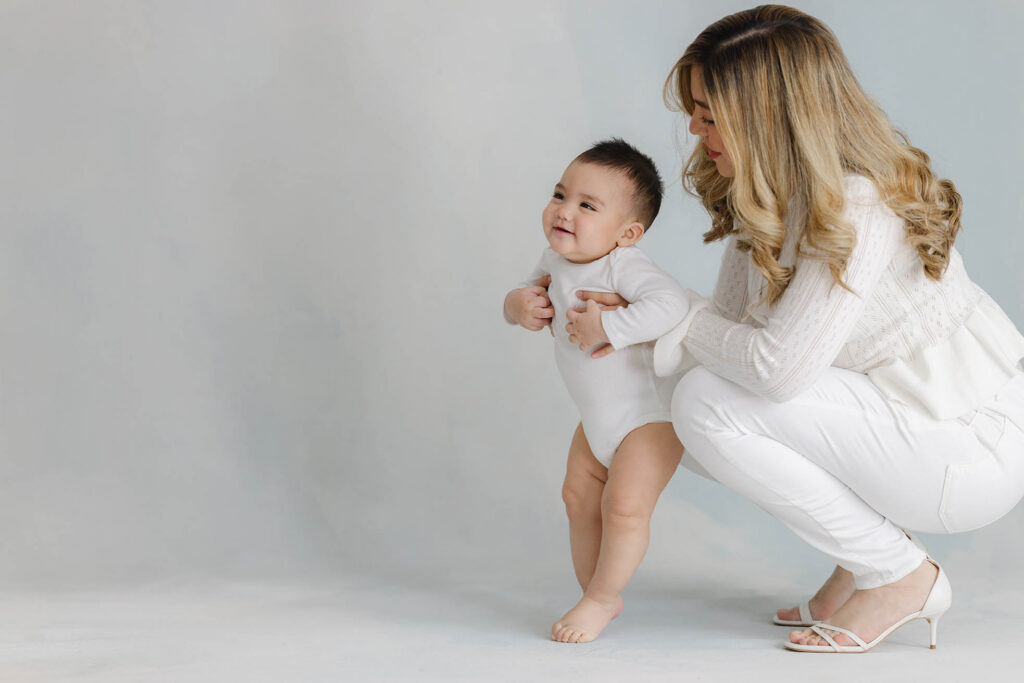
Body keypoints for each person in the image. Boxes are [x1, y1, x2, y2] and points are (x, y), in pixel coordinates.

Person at [571, 5, 1024, 653]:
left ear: (767, 115)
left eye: (709, 111)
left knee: (704, 402)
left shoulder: (856, 204)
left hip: (971, 451)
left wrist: (674, 314)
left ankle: (897, 573)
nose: (695, 128)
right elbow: (725, 334)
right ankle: (866, 558)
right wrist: (624, 320)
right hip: (910, 422)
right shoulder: (771, 192)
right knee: (678, 396)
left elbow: (774, 368)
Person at [503, 139, 692, 643]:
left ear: (627, 233)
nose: (565, 211)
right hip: (596, 419)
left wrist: (612, 328)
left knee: (624, 508)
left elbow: (670, 305)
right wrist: (518, 305)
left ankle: (601, 599)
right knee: (577, 498)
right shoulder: (553, 258)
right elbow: (526, 294)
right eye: (561, 195)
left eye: (587, 206)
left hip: (648, 418)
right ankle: (597, 592)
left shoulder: (621, 266)